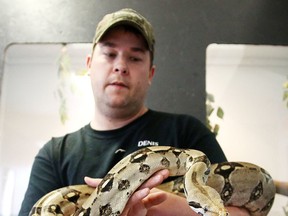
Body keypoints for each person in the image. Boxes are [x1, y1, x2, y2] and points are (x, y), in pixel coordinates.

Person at [19, 8, 249, 216]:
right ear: (89, 64)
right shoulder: (55, 155)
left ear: (150, 73)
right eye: (110, 54)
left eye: (135, 57)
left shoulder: (187, 133)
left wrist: (158, 204)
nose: (120, 66)